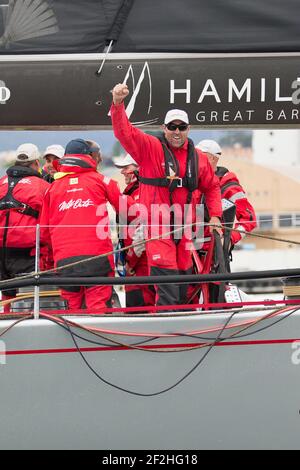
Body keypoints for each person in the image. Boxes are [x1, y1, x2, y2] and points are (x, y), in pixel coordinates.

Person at [110, 83, 223, 306]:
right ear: (164, 128)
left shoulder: (199, 158)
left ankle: (181, 333)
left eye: (182, 127)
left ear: (189, 129)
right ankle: (168, 332)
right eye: (173, 127)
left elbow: (212, 187)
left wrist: (216, 217)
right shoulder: (150, 149)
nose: (177, 132)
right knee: (168, 287)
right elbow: (125, 133)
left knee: (183, 289)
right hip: (158, 230)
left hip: (186, 232)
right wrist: (117, 103)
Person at [40, 138, 130, 311]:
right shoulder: (102, 180)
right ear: (89, 156)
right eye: (97, 155)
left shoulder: (52, 189)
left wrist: (52, 261)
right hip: (97, 260)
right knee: (98, 311)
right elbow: (128, 210)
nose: (100, 159)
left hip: (65, 263)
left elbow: (43, 233)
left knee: (71, 313)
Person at [0, 143, 50, 313]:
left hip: (1, 251)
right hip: (28, 252)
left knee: (6, 293)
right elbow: (49, 222)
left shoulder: (1, 183)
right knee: (31, 298)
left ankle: (6, 319)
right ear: (36, 163)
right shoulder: (42, 186)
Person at [196, 139, 257, 248]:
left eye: (199, 155)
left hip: (214, 254)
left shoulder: (228, 186)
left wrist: (229, 239)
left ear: (213, 158)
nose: (195, 159)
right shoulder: (191, 181)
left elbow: (249, 220)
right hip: (188, 251)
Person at [113, 153, 155, 308]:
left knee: (141, 316)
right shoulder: (137, 192)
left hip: (140, 267)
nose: (123, 172)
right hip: (138, 266)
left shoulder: (140, 194)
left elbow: (142, 234)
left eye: (126, 167)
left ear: (139, 168)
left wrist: (130, 262)